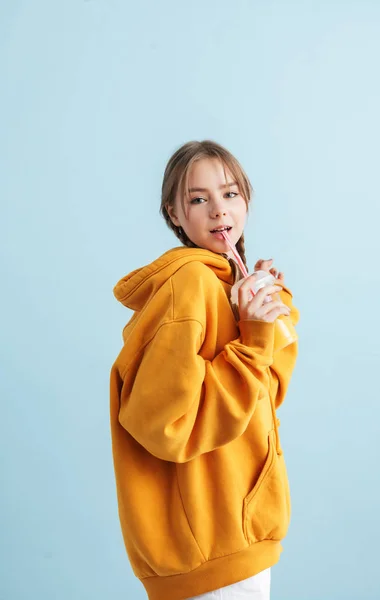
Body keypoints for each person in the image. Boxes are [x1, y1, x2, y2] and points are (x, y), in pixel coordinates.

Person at [109, 140, 300, 600]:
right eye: (198, 199)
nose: (218, 210)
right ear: (174, 214)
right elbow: (168, 424)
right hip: (209, 553)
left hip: (240, 539)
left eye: (230, 194)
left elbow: (264, 399)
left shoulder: (227, 284)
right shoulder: (190, 284)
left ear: (247, 200)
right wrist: (253, 338)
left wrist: (271, 312)